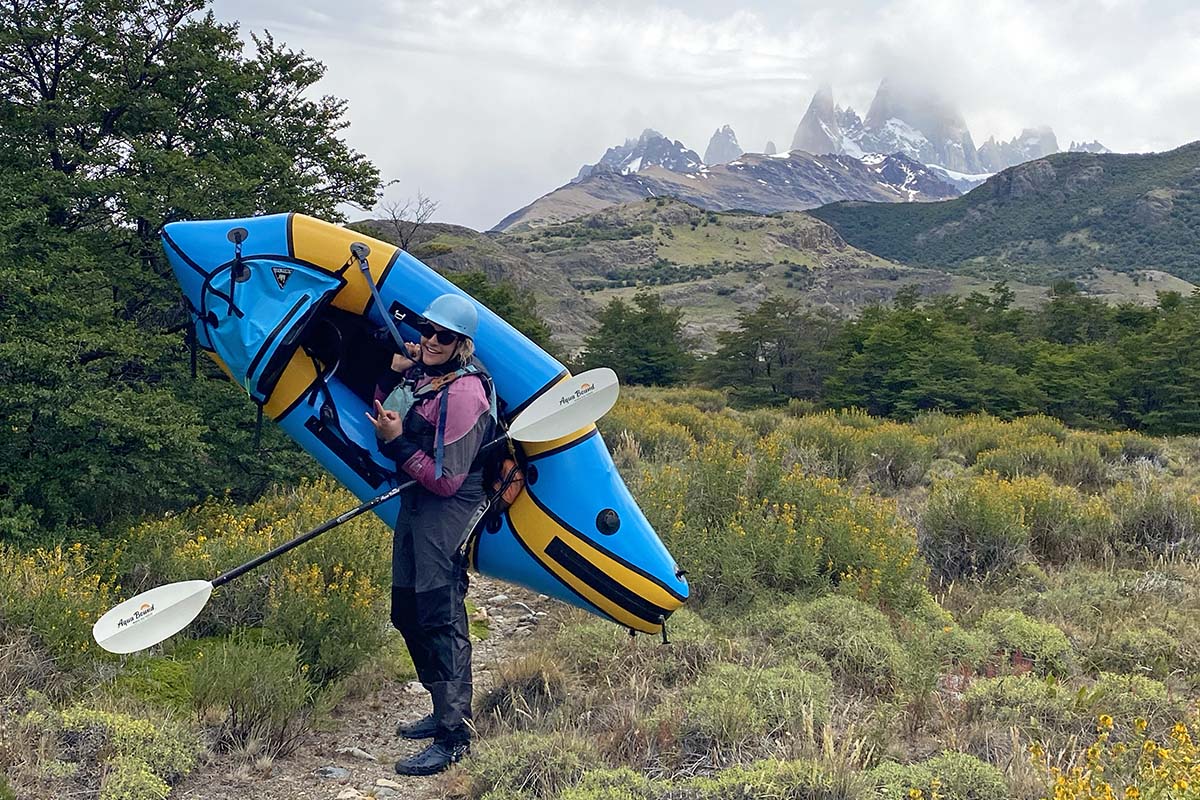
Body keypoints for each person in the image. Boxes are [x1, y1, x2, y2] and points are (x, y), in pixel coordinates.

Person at [366, 293, 495, 776]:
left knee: (439, 615)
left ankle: (455, 734)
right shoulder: (424, 377)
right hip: (416, 500)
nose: (431, 340)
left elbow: (448, 480)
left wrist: (395, 443)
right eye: (427, 331)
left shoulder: (465, 394)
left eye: (444, 336)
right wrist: (394, 373)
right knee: (406, 610)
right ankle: (441, 708)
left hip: (449, 504)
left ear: (461, 344)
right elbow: (389, 412)